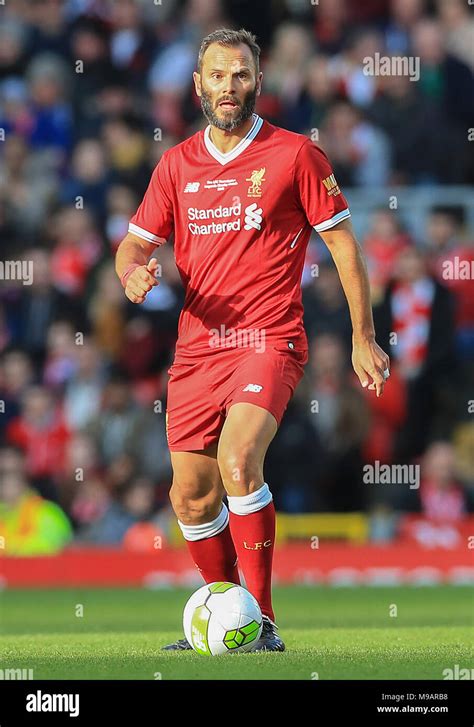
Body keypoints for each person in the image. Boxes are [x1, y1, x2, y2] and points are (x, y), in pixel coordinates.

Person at [115, 28, 390, 652]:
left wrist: (360, 337)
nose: (229, 87)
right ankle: (224, 608)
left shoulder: (296, 156)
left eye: (240, 75)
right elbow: (135, 242)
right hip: (195, 349)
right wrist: (131, 270)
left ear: (258, 82)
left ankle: (261, 621)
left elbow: (344, 247)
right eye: (218, 75)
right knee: (190, 496)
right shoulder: (176, 163)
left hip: (268, 337)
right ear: (198, 85)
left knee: (240, 463)